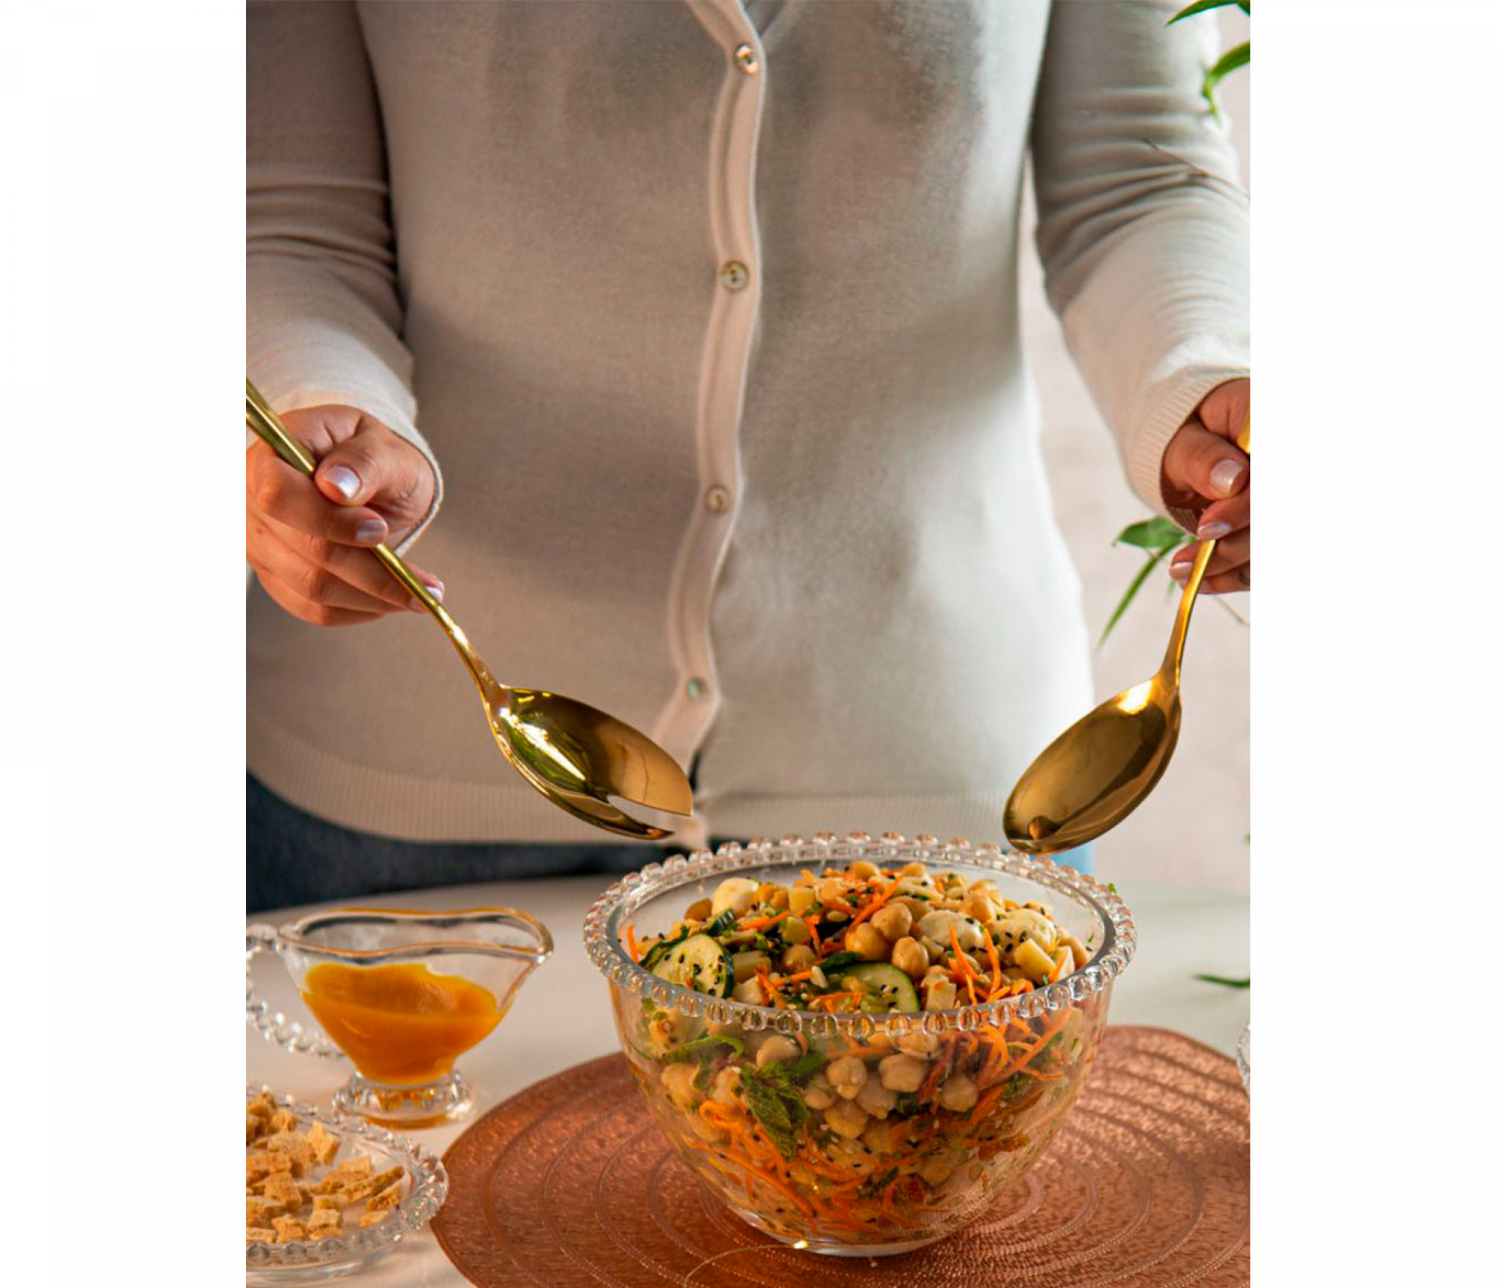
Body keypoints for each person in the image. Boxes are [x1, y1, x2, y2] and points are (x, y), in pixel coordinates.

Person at [246, 0, 1249, 912]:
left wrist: (1203, 384)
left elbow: (1141, 176)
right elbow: (286, 216)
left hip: (929, 755)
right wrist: (319, 411)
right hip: (402, 768)